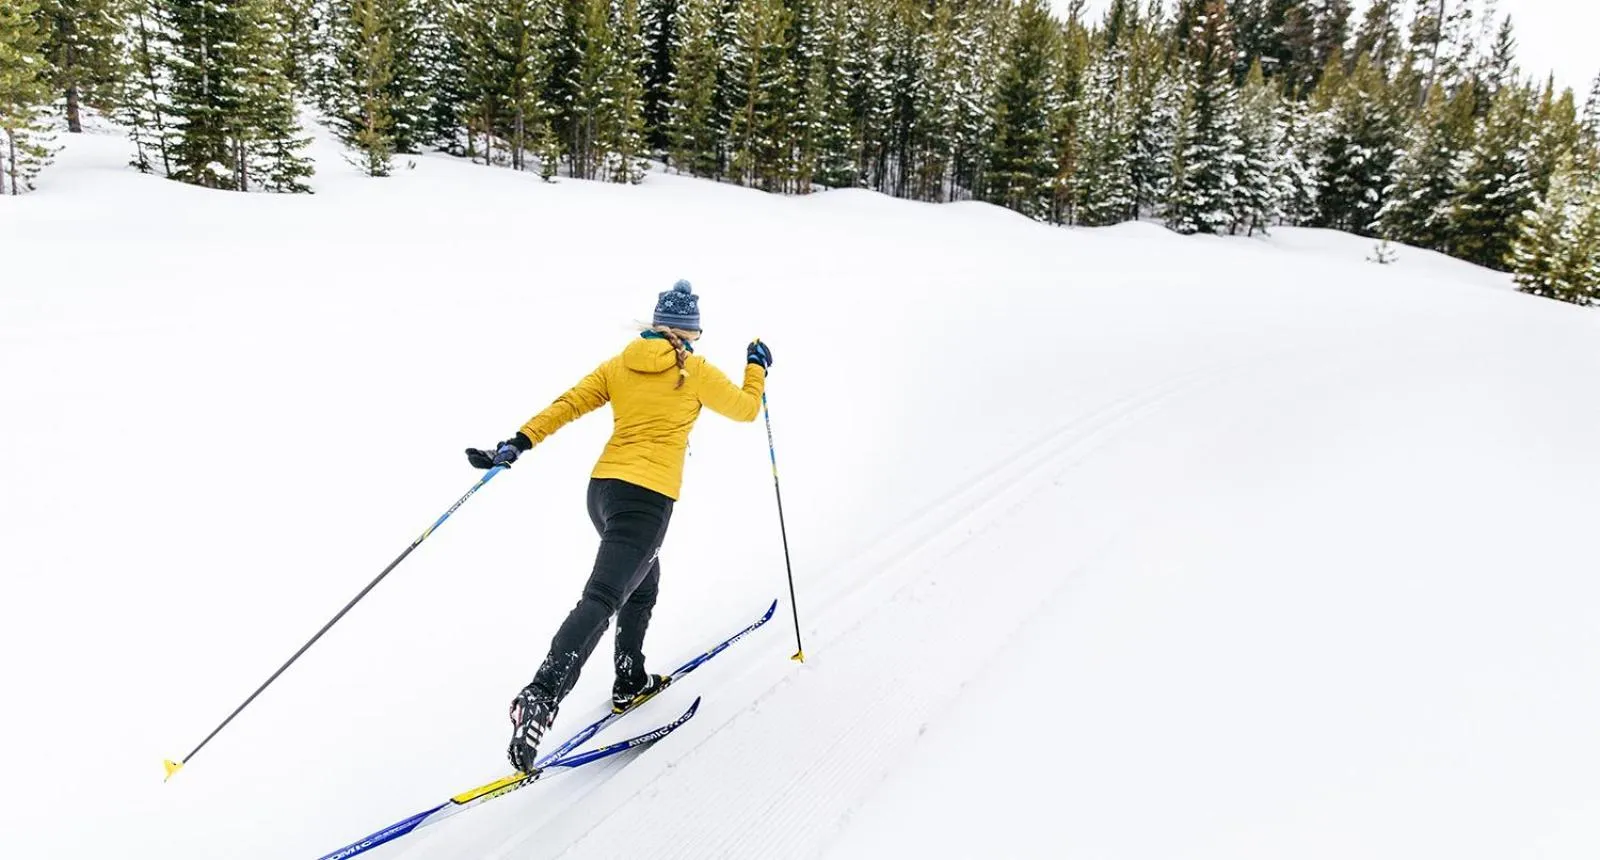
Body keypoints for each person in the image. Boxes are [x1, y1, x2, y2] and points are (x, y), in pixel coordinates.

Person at [466, 279, 774, 773]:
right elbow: (746, 408)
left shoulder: (619, 364)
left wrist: (519, 441)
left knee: (642, 582)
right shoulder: (693, 371)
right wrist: (756, 367)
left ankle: (629, 678)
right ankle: (541, 694)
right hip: (646, 499)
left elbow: (567, 404)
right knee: (603, 597)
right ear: (690, 332)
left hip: (603, 492)